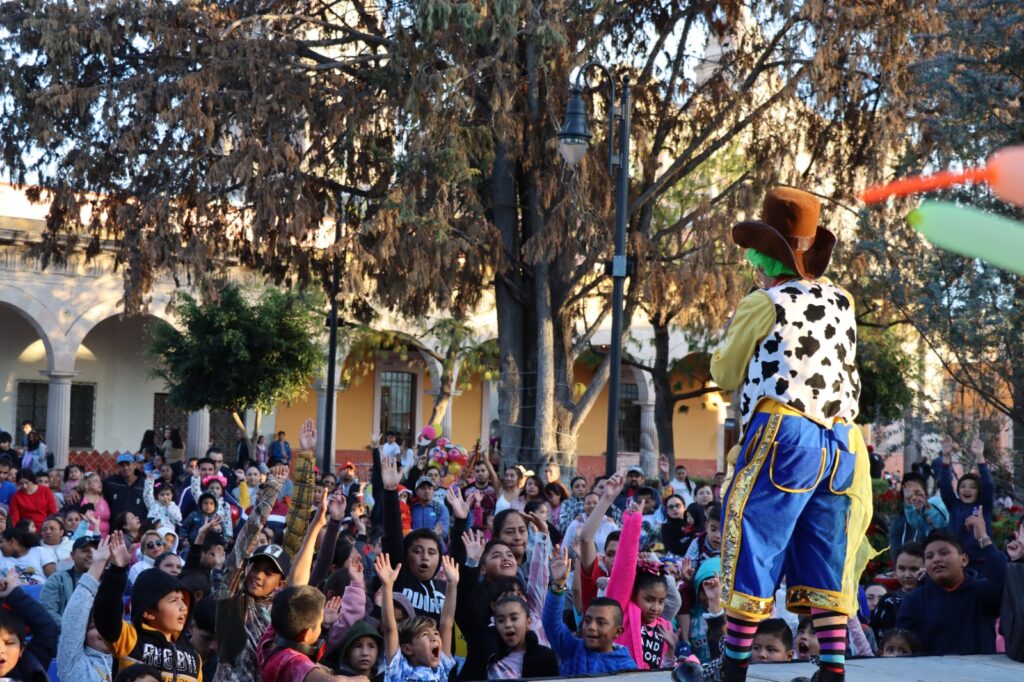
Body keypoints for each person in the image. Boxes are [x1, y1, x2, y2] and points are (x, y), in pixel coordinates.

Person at [710, 188, 871, 682]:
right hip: (841, 441)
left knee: (753, 536)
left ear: (767, 255)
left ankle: (733, 667)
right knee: (824, 548)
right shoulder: (842, 299)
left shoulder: (765, 301)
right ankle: (832, 669)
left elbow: (725, 371)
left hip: (786, 432)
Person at [211, 462, 293, 682]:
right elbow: (244, 541)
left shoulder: (282, 620)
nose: (258, 575)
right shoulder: (231, 599)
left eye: (268, 573)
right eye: (255, 567)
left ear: (281, 584)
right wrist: (272, 491)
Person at [95, 530, 202, 681]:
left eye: (183, 600)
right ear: (149, 612)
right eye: (174, 601)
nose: (183, 607)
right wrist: (117, 571)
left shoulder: (194, 657)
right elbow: (106, 615)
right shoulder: (130, 638)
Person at [896, 525, 1007, 654]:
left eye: (944, 553)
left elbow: (1005, 579)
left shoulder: (982, 592)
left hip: (980, 672)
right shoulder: (913, 601)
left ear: (964, 560)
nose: (936, 559)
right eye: (929, 556)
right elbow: (905, 648)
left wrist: (984, 539)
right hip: (930, 672)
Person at [605, 502, 679, 669]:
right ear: (633, 594)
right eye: (649, 599)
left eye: (661, 601)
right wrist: (634, 522)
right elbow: (624, 569)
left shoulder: (665, 627)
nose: (655, 607)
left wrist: (671, 650)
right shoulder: (622, 613)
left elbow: (662, 672)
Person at [543, 545, 636, 675]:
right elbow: (551, 622)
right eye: (587, 620)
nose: (592, 627)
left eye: (601, 622)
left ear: (618, 631)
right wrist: (559, 585)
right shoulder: (572, 648)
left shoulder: (628, 668)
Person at [378, 551, 460, 682]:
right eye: (425, 635)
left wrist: (452, 584)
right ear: (407, 648)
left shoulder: (441, 667)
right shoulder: (399, 669)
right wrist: (387, 586)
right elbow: (390, 629)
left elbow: (446, 623)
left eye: (435, 633)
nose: (434, 638)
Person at [56, 534, 114, 682]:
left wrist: (118, 570)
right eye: (95, 627)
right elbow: (74, 619)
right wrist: (98, 564)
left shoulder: (122, 665)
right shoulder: (74, 664)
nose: (104, 632)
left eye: (107, 627)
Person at [935, 436, 995, 565]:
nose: (967, 490)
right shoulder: (954, 505)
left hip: (981, 560)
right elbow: (944, 485)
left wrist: (980, 457)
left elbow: (988, 485)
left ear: (978, 491)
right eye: (963, 486)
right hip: (956, 561)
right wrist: (946, 458)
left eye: (973, 487)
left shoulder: (983, 505)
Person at [0, 564, 59, 682]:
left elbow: (47, 628)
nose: (1, 649)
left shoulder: (32, 667)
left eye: (9, 643)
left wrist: (13, 594)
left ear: (22, 649)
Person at [487, 594, 559, 679]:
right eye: (501, 620)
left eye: (514, 618)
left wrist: (560, 586)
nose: (507, 625)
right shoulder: (488, 656)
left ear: (528, 622)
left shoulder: (546, 656)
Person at [870, 542, 925, 639]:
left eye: (914, 569)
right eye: (902, 569)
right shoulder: (887, 602)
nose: (907, 575)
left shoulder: (936, 599)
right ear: (895, 571)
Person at [888, 471, 948, 559]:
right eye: (909, 496)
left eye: (918, 493)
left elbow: (941, 524)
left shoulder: (934, 513)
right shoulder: (899, 523)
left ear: (926, 496)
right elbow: (895, 555)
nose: (914, 498)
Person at [41, 534, 98, 624]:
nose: (91, 555)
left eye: (95, 551)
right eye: (85, 551)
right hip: (66, 632)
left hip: (99, 633)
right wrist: (70, 629)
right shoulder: (57, 579)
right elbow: (49, 611)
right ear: (72, 555)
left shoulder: (106, 579)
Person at [103, 453, 148, 523]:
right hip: (115, 529)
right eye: (122, 465)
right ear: (118, 468)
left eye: (128, 464)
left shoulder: (145, 484)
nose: (125, 468)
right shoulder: (110, 483)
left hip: (138, 528)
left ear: (134, 465)